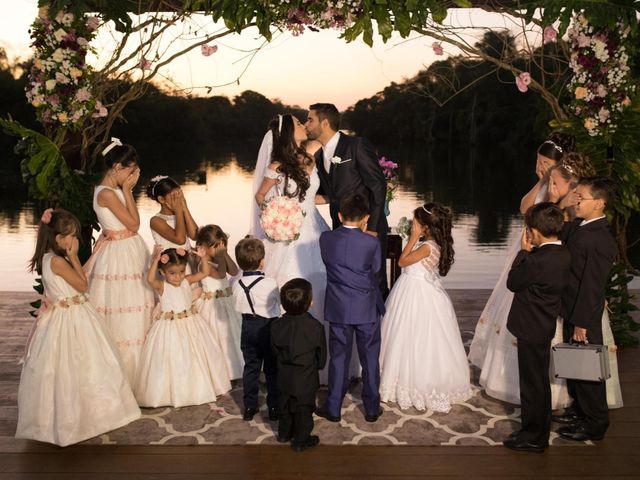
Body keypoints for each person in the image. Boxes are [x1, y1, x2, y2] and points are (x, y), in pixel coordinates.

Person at [469, 149, 597, 407]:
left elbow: (553, 228)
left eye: (546, 165)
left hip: (547, 287)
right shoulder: (552, 193)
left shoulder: (572, 209)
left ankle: (560, 404)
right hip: (537, 276)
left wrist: (555, 202)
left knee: (544, 353)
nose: (542, 169)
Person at [16, 209, 140, 446]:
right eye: (71, 236)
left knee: (85, 367)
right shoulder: (58, 262)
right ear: (58, 239)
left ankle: (89, 413)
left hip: (68, 314)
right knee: (76, 367)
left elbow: (76, 279)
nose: (74, 240)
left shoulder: (49, 258)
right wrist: (74, 256)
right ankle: (78, 419)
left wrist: (88, 255)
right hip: (70, 319)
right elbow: (83, 285)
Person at [253, 113, 359, 384]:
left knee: (324, 284)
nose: (304, 125)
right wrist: (276, 212)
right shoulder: (276, 166)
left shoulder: (309, 158)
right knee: (290, 283)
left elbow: (312, 196)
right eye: (299, 124)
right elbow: (260, 195)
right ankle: (286, 358)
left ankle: (324, 360)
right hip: (289, 233)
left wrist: (343, 196)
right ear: (288, 131)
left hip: (314, 227)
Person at [469, 134, 574, 371]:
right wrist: (540, 181)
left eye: (546, 163)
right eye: (538, 161)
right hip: (526, 244)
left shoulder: (563, 186)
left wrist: (550, 186)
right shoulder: (544, 183)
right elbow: (525, 208)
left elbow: (547, 215)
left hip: (543, 248)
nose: (540, 166)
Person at [380, 203, 472, 412]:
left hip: (416, 294)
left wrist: (412, 237)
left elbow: (402, 262)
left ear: (425, 227)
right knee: (403, 335)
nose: (413, 224)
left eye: (416, 222)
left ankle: (415, 381)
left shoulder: (427, 247)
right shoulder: (430, 243)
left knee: (416, 337)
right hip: (412, 289)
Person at [84, 138, 155, 385]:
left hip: (129, 249)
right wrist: (127, 191)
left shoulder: (113, 191)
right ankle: (124, 378)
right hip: (118, 255)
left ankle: (145, 374)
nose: (133, 174)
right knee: (122, 309)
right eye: (130, 170)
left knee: (141, 304)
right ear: (116, 167)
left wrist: (127, 191)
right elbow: (134, 225)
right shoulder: (106, 193)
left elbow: (132, 225)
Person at [502, 203, 571, 453]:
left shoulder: (534, 261)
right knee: (539, 381)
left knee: (532, 385)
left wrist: (522, 253)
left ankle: (534, 437)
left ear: (534, 232)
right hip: (545, 324)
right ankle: (538, 430)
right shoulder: (564, 254)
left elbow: (513, 283)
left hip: (530, 327)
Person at [555, 177, 618, 442]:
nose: (577, 201)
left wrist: (581, 322)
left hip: (585, 314)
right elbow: (558, 231)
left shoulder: (600, 239)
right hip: (572, 307)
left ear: (600, 204)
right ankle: (580, 411)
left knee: (589, 368)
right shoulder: (582, 226)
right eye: (576, 195)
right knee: (576, 364)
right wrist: (564, 204)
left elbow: (592, 285)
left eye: (581, 197)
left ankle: (595, 423)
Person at [305, 103, 389, 296]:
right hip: (339, 227)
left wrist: (373, 229)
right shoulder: (318, 155)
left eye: (310, 119)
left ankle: (378, 324)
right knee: (346, 281)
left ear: (325, 123)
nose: (306, 124)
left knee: (373, 280)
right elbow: (330, 193)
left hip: (366, 227)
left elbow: (377, 185)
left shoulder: (356, 145)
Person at [316, 193, 385, 423]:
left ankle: (333, 408)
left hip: (338, 307)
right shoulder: (372, 242)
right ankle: (372, 409)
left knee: (338, 358)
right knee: (370, 359)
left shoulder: (325, 238)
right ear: (366, 218)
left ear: (339, 215)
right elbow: (375, 269)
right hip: (366, 308)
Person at [134, 246, 231, 407]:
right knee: (174, 359)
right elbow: (150, 280)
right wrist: (155, 261)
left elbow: (204, 273)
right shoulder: (162, 286)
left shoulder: (187, 280)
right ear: (163, 272)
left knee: (196, 355)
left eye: (181, 271)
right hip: (169, 329)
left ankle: (198, 386)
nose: (178, 277)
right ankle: (172, 392)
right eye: (173, 273)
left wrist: (203, 258)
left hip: (191, 324)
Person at [271, 278, 327, 452]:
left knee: (285, 407)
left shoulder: (276, 325)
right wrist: (316, 366)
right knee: (304, 410)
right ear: (310, 303)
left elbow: (274, 351)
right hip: (306, 379)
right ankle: (301, 440)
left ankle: (283, 433)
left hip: (283, 377)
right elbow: (321, 357)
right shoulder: (316, 327)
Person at [232, 237, 280, 421]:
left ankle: (250, 407)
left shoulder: (236, 284)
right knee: (271, 369)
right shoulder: (270, 283)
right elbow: (279, 303)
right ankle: (274, 406)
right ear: (262, 261)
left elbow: (237, 306)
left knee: (251, 368)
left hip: (248, 327)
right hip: (268, 328)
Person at [195, 224, 243, 380]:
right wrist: (221, 256)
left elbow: (234, 271)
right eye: (215, 247)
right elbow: (221, 275)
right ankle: (222, 372)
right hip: (212, 306)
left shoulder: (219, 258)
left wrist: (225, 254)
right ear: (203, 247)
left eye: (220, 246)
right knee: (219, 336)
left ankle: (237, 367)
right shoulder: (204, 264)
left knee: (232, 334)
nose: (218, 250)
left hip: (227, 302)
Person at [146, 175, 198, 271]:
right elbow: (180, 239)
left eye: (179, 194)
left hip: (188, 263)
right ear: (162, 199)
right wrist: (179, 212)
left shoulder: (180, 214)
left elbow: (194, 235)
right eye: (174, 196)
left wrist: (185, 208)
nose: (178, 199)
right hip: (171, 266)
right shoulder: (156, 220)